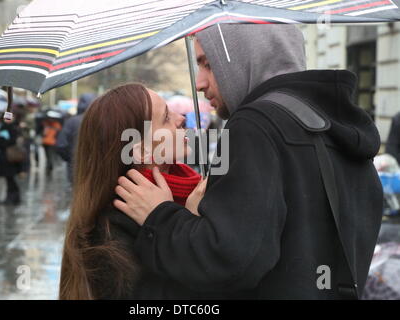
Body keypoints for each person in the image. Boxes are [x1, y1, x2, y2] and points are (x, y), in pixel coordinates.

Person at [113, 25, 383, 299]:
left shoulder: (256, 124)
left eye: (208, 64)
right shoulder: (333, 124)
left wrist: (160, 217)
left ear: (245, 58)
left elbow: (230, 261)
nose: (199, 83)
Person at [59, 83, 206, 299]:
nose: (181, 118)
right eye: (166, 118)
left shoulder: (193, 190)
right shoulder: (109, 235)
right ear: (140, 150)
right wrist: (177, 223)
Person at [56, 93, 96, 184]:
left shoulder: (71, 122)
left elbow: (61, 145)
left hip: (75, 166)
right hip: (96, 167)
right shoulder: (102, 121)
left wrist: (71, 159)